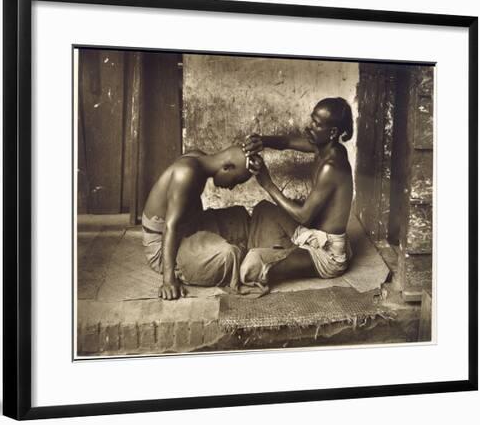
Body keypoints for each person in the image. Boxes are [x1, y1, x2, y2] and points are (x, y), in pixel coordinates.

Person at [241, 97, 354, 285]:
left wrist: (267, 184)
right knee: (263, 209)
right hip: (313, 233)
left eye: (316, 124)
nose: (309, 127)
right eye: (312, 119)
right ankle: (286, 250)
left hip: (327, 254)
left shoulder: (332, 166)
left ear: (332, 132)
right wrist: (262, 141)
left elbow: (303, 217)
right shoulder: (324, 147)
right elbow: (286, 141)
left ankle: (282, 254)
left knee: (254, 266)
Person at [142, 146, 253, 300]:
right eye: (235, 180)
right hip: (163, 245)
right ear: (227, 167)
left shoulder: (198, 158)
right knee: (229, 254)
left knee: (240, 216)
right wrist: (168, 280)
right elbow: (170, 226)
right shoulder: (186, 172)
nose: (231, 187)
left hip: (189, 227)